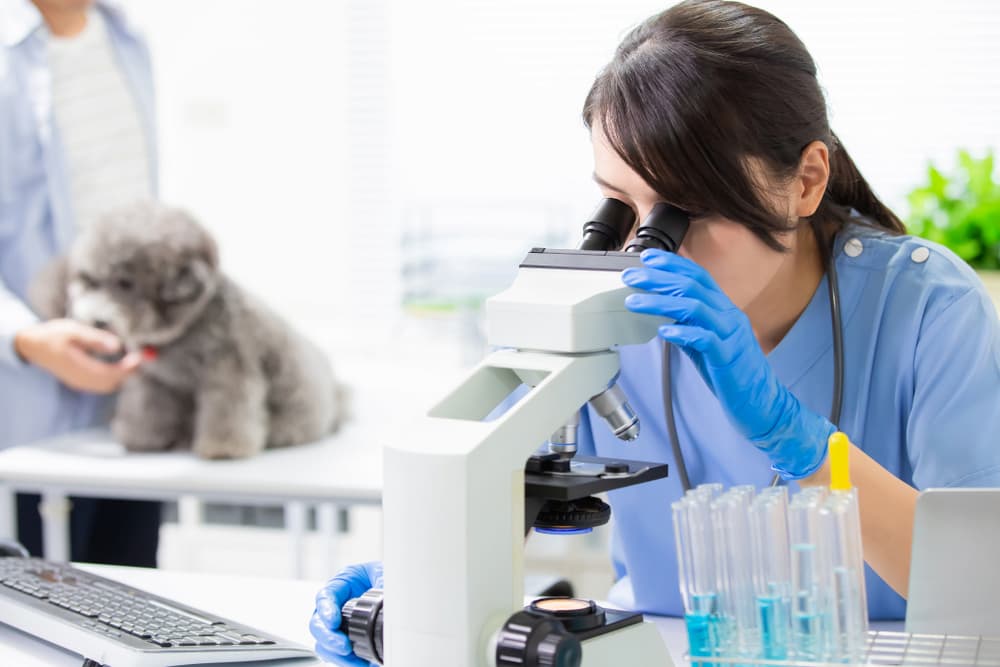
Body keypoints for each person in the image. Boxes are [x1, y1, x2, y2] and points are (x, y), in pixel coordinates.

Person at [309, 0, 1000, 662]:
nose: (648, 246)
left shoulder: (925, 306)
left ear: (806, 179)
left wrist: (798, 436)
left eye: (684, 209)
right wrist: (408, 582)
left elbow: (984, 590)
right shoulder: (600, 306)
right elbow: (485, 476)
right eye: (621, 206)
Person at [1, 0, 161, 566]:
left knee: (137, 611)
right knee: (35, 630)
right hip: (25, 406)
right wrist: (25, 340)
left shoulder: (126, 39)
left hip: (133, 395)